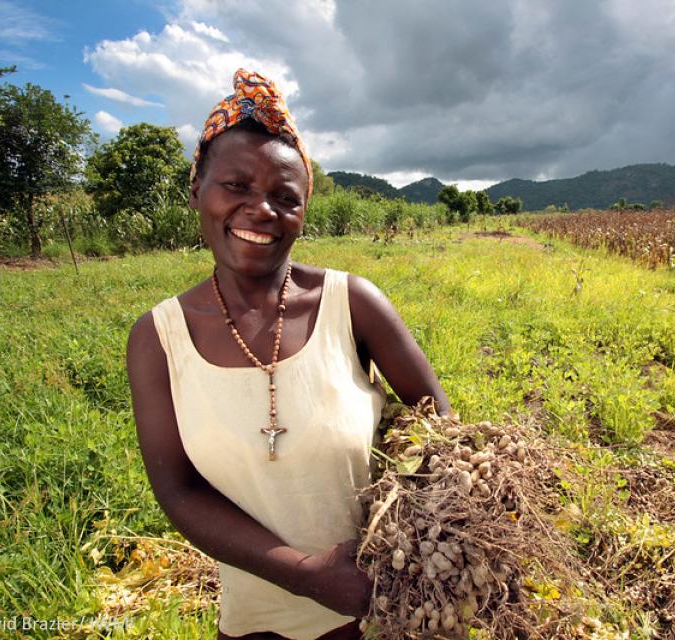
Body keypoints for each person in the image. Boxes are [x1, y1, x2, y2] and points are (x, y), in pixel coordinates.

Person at [126, 69, 451, 640]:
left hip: (378, 608)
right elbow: (177, 489)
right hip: (255, 616)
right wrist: (304, 575)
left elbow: (444, 430)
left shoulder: (353, 305)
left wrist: (409, 544)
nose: (261, 210)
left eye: (285, 196)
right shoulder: (158, 338)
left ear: (304, 212)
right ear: (197, 187)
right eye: (236, 186)